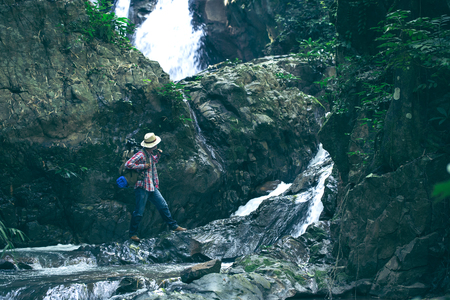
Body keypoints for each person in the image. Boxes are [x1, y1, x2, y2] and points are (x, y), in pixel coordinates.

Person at [125, 132, 186, 242]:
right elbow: (128, 164)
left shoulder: (149, 154)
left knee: (163, 205)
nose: (157, 146)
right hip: (142, 187)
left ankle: (173, 226)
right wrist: (143, 166)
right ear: (151, 145)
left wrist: (158, 155)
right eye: (155, 144)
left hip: (151, 185)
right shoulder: (141, 154)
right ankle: (132, 234)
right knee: (139, 211)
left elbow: (153, 162)